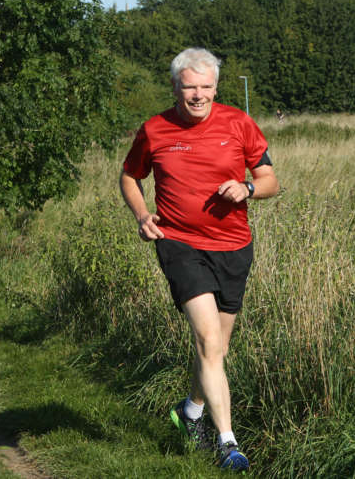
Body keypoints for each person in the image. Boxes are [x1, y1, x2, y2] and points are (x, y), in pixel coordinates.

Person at [120, 48, 279, 472]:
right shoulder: (154, 129)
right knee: (209, 341)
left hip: (233, 245)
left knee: (218, 348)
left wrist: (247, 188)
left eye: (205, 87)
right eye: (189, 86)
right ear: (174, 87)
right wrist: (141, 215)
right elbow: (130, 176)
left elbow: (270, 180)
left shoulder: (238, 123)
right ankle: (227, 442)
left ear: (215, 88)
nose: (197, 95)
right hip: (179, 243)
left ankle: (190, 412)